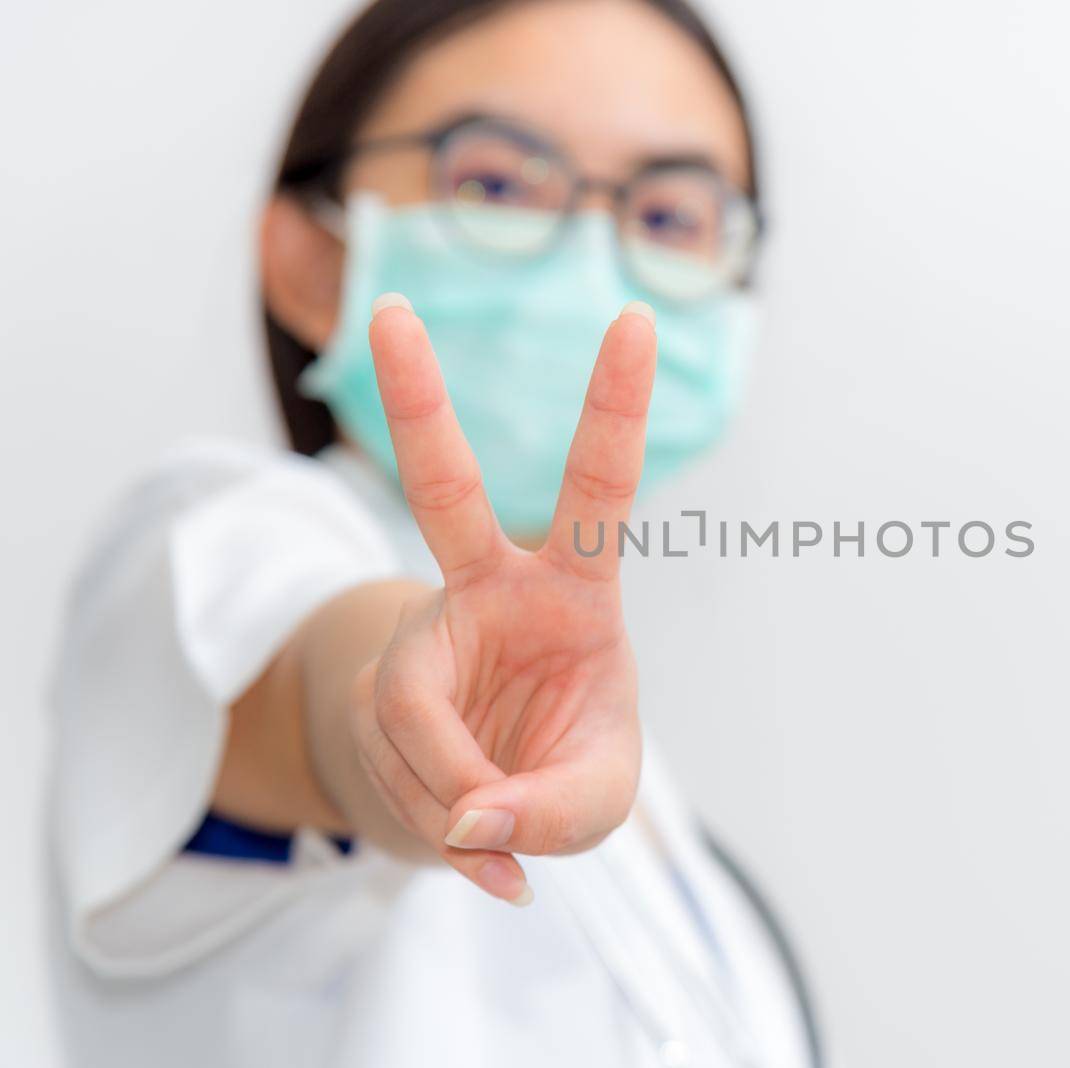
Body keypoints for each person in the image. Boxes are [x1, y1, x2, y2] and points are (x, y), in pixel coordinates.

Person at [47, 1, 820, 1065]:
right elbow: (334, 687)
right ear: (310, 265)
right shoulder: (220, 538)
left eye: (672, 215)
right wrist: (395, 701)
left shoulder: (667, 839)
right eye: (496, 184)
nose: (592, 256)